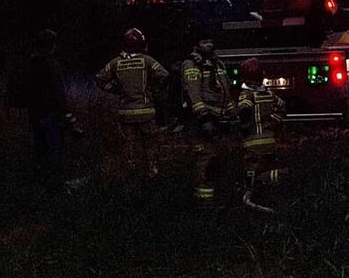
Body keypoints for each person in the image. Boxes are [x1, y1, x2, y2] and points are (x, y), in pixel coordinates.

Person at [95, 27, 168, 177]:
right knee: (150, 144)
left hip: (125, 113)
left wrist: (115, 89)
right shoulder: (147, 60)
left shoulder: (116, 62)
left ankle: (130, 175)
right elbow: (164, 74)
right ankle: (152, 172)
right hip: (146, 112)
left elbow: (100, 78)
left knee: (128, 145)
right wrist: (152, 87)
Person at [20, 28, 82, 193]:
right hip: (51, 113)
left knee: (40, 148)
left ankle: (39, 186)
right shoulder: (51, 64)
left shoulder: (30, 64)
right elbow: (58, 92)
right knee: (54, 149)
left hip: (34, 113)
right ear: (52, 45)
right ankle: (55, 187)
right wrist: (68, 115)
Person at [181, 30, 237, 204]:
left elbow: (225, 92)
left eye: (211, 41)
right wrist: (204, 120)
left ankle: (220, 199)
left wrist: (233, 114)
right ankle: (204, 204)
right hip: (201, 123)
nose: (209, 45)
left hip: (220, 122)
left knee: (220, 160)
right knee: (204, 160)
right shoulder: (192, 65)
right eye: (205, 42)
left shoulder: (217, 63)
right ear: (196, 45)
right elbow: (194, 95)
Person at [237, 56, 287, 212]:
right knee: (269, 167)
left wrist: (239, 123)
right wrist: (273, 120)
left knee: (252, 172)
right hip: (269, 141)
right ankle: (274, 189)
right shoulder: (269, 94)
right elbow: (282, 106)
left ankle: (253, 192)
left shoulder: (247, 94)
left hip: (252, 141)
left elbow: (243, 109)